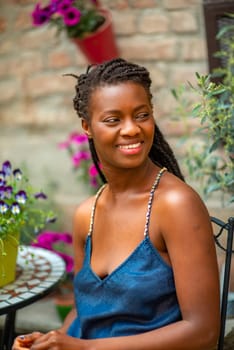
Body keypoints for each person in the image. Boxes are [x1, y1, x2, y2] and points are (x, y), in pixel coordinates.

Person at [13, 58, 220, 350]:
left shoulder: (175, 205)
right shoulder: (87, 214)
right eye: (113, 120)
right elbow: (85, 309)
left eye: (141, 115)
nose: (131, 129)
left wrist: (86, 349)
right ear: (87, 126)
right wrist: (51, 342)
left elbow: (203, 332)